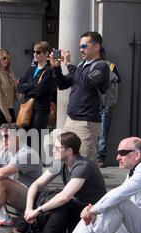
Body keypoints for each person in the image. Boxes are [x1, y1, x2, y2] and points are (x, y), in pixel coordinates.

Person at [0, 132, 106, 233]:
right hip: (76, 211)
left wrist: (38, 210)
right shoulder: (60, 163)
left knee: (60, 201)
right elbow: (36, 185)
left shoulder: (82, 166)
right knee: (41, 195)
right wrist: (29, 209)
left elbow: (65, 197)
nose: (53, 150)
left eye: (57, 148)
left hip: (90, 214)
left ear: (69, 150)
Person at [50, 31, 110, 164]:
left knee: (85, 161)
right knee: (65, 157)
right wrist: (56, 68)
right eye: (80, 47)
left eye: (84, 46)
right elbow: (63, 84)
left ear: (96, 47)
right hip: (71, 119)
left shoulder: (101, 66)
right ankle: (72, 184)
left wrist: (69, 64)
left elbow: (86, 82)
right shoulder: (81, 66)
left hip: (86, 122)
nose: (81, 50)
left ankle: (91, 185)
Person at [17, 41, 53, 155]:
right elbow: (19, 87)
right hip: (27, 107)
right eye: (34, 52)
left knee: (36, 138)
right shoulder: (30, 69)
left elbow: (40, 91)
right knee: (24, 136)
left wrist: (28, 87)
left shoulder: (49, 70)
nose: (35, 55)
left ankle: (37, 164)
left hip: (40, 109)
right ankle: (27, 162)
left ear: (46, 54)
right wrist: (32, 85)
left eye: (38, 52)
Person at [96, 47, 120, 167]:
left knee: (102, 134)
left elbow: (115, 86)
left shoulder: (110, 66)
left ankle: (100, 158)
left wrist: (109, 103)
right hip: (91, 105)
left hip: (104, 104)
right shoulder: (88, 65)